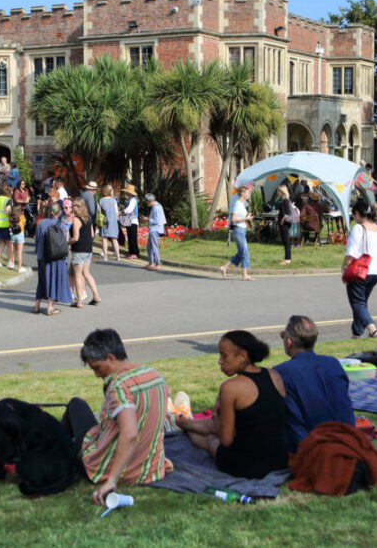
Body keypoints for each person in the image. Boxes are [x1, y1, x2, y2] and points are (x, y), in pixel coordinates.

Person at [62, 328, 170, 505]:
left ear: (111, 358)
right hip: (150, 469)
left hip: (116, 470)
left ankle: (51, 453)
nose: (97, 375)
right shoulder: (154, 375)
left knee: (76, 405)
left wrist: (112, 480)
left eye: (97, 368)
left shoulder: (119, 386)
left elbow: (130, 433)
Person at [176, 331, 288, 479]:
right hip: (279, 460)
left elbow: (225, 439)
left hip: (247, 467)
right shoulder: (274, 375)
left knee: (210, 440)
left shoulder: (230, 388)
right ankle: (185, 422)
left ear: (242, 356)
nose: (220, 361)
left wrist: (217, 412)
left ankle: (182, 424)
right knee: (211, 429)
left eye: (224, 356)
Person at [274, 315, 356, 452]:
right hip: (348, 442)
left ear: (289, 342)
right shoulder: (332, 363)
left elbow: (289, 420)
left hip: (310, 450)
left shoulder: (280, 372)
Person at [342, 199, 377, 338]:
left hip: (361, 271)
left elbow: (351, 252)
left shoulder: (358, 228)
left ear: (358, 213)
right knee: (362, 302)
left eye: (354, 214)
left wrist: (345, 266)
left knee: (357, 301)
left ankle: (372, 329)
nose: (354, 217)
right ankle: (357, 332)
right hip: (376, 271)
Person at [32, 205, 72, 316]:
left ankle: (36, 305)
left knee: (42, 282)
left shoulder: (41, 223)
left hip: (42, 257)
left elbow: (37, 240)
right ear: (59, 213)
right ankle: (50, 307)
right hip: (56, 257)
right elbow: (64, 242)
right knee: (53, 281)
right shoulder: (62, 225)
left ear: (49, 212)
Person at [69, 198, 101, 307]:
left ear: (79, 207)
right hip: (88, 249)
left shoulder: (76, 220)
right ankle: (96, 295)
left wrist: (68, 242)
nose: (73, 207)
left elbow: (76, 237)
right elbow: (92, 234)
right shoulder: (88, 218)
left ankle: (79, 302)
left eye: (75, 206)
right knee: (86, 273)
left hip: (78, 249)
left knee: (78, 275)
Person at [220, 186, 254, 280]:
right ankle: (245, 275)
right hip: (238, 230)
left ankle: (224, 267)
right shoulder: (237, 204)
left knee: (241, 253)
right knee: (245, 252)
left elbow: (239, 216)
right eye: (247, 193)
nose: (248, 194)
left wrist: (246, 216)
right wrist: (246, 219)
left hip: (242, 230)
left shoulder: (242, 204)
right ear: (243, 194)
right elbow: (234, 219)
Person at [0, 184, 14, 268]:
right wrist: (13, 217)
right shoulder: (8, 200)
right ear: (8, 191)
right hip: (6, 225)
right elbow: (8, 211)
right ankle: (9, 262)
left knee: (1, 243)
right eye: (11, 190)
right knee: (10, 244)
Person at [118, 185, 141, 260]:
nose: (126, 193)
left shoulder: (133, 200)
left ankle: (135, 253)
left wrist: (122, 212)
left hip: (133, 221)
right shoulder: (131, 199)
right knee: (130, 237)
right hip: (129, 220)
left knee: (133, 237)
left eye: (127, 192)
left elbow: (129, 209)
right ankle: (131, 252)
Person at [144, 193, 166, 271]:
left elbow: (157, 220)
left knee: (154, 247)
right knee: (149, 247)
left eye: (147, 202)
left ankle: (157, 264)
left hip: (155, 229)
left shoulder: (156, 208)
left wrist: (148, 219)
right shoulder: (156, 207)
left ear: (150, 201)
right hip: (154, 229)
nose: (146, 203)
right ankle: (151, 263)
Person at [98, 185, 120, 260]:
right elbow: (117, 212)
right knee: (114, 239)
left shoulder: (100, 200)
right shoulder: (114, 200)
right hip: (113, 221)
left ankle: (105, 256)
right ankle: (118, 256)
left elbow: (98, 212)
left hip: (104, 221)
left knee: (104, 239)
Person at [276, 185, 295, 265]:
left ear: (282, 192)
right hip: (283, 222)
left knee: (286, 240)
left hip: (285, 223)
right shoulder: (283, 200)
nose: (277, 192)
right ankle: (287, 257)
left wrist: (282, 221)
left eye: (278, 191)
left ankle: (287, 258)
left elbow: (286, 213)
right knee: (284, 240)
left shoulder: (285, 200)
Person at [8, 203, 28, 274]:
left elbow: (9, 225)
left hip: (13, 234)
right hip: (20, 234)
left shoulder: (10, 217)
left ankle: (12, 263)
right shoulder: (22, 217)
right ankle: (19, 267)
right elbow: (24, 223)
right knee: (19, 251)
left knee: (14, 249)